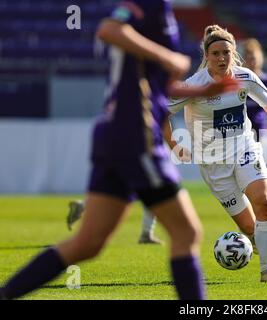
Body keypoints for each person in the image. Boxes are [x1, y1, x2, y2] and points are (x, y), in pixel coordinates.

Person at [0, 1, 238, 300]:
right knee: (186, 233)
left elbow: (155, 84)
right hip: (135, 135)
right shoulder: (145, 5)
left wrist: (201, 91)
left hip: (116, 134)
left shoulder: (158, 10)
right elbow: (109, 29)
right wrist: (170, 58)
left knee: (87, 243)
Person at [168, 25, 267, 283]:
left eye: (226, 52)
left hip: (244, 148)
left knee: (262, 201)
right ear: (206, 56)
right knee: (250, 228)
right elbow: (162, 111)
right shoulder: (194, 85)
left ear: (233, 53)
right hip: (213, 164)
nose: (221, 58)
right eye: (215, 53)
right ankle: (254, 248)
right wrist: (173, 144)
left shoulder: (244, 77)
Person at [242, 38, 267, 145]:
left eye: (255, 59)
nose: (253, 62)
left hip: (260, 126)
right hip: (242, 126)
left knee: (259, 157)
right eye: (250, 59)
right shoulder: (241, 80)